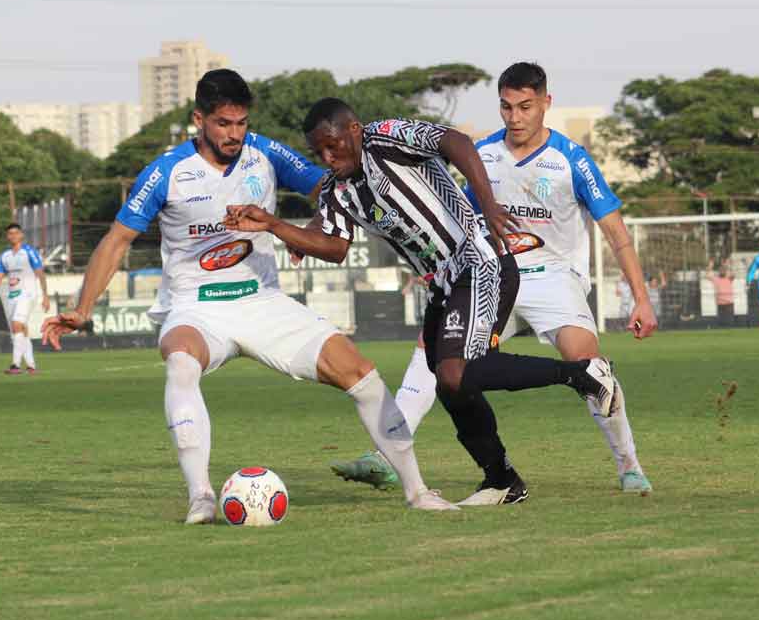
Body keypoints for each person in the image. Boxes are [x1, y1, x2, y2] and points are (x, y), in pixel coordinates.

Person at [41, 69, 457, 523]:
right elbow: (116, 240)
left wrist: (310, 234)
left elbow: (330, 187)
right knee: (181, 361)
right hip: (196, 308)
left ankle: (417, 491)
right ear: (199, 119)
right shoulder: (167, 172)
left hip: (263, 303)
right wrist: (82, 310)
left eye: (241, 123)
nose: (234, 133)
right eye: (223, 123)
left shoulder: (265, 152)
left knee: (361, 373)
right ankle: (200, 496)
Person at [225, 93, 627, 506]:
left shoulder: (385, 137)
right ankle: (501, 479)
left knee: (458, 373)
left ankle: (584, 375)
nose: (328, 157)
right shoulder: (338, 190)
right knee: (450, 384)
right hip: (442, 283)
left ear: (354, 130)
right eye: (319, 151)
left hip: (479, 260)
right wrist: (275, 225)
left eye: (334, 145)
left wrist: (486, 204)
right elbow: (333, 246)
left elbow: (458, 143)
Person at [321, 63, 658, 495]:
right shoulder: (483, 155)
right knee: (437, 352)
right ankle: (388, 454)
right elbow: (448, 218)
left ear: (545, 104)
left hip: (554, 279)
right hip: (492, 271)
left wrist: (641, 299)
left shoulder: (570, 159)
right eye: (506, 106)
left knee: (588, 363)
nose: (515, 117)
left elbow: (616, 232)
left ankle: (629, 465)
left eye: (525, 106)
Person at [0, 223, 50, 374]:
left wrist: (45, 295)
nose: (13, 236)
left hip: (28, 294)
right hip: (12, 296)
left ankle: (15, 365)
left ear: (21, 235)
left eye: (16, 233)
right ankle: (32, 366)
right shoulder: (5, 255)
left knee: (16, 325)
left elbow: (40, 273)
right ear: (7, 236)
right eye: (10, 233)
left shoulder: (29, 252)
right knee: (20, 330)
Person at [706, 259, 735, 327]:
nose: (722, 271)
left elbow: (733, 274)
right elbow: (707, 275)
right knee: (721, 322)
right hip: (720, 303)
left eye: (723, 270)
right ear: (719, 272)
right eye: (720, 270)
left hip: (729, 303)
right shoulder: (716, 279)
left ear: (725, 271)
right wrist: (710, 266)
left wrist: (727, 265)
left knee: (730, 321)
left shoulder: (728, 278)